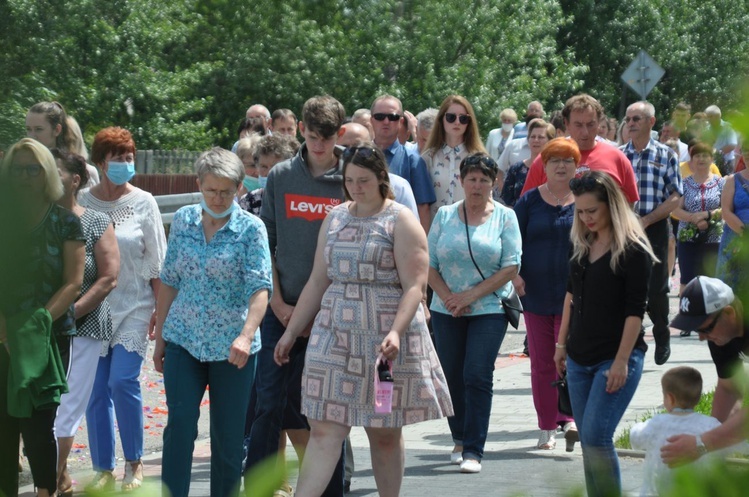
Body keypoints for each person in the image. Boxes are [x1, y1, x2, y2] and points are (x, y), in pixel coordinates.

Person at [274, 143, 452, 496]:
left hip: (383, 337)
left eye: (364, 180)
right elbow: (317, 280)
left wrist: (397, 332)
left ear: (382, 179)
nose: (356, 187)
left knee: (384, 433)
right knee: (325, 429)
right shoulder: (336, 216)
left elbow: (415, 286)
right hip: (335, 331)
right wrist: (291, 332)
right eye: (350, 180)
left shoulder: (400, 219)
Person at [152, 148, 272, 497]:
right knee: (180, 428)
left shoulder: (251, 229)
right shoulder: (185, 221)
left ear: (238, 188)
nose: (218, 199)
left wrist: (246, 336)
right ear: (198, 185)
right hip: (184, 341)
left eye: (226, 191)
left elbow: (260, 287)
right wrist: (160, 339)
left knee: (228, 438)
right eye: (211, 190)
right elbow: (170, 280)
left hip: (232, 349)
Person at [246, 96, 347, 497]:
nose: (319, 144)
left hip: (332, 313)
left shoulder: (349, 178)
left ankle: (332, 489)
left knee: (327, 413)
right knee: (267, 403)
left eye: (327, 137)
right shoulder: (281, 175)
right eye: (312, 134)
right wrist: (277, 303)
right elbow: (264, 243)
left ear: (339, 134)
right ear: (301, 129)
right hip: (281, 307)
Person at [554, 171, 657, 497]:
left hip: (616, 356)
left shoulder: (633, 249)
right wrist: (561, 345)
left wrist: (622, 361)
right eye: (580, 212)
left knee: (598, 437)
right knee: (589, 442)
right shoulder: (581, 243)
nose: (585, 219)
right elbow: (570, 297)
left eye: (592, 211)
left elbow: (634, 311)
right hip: (578, 357)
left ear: (611, 206)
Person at [79, 127, 167, 492]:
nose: (126, 164)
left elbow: (158, 264)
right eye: (119, 158)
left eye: (130, 158)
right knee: (95, 390)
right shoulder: (82, 201)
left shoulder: (145, 201)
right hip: (92, 309)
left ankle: (135, 462)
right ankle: (103, 468)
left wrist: (160, 315)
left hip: (135, 305)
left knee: (121, 381)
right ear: (101, 162)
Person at [0, 138, 85, 497]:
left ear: (47, 173)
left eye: (32, 169)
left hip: (48, 336)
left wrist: (35, 324)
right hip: (1, 333)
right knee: (3, 425)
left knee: (37, 424)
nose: (24, 176)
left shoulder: (65, 223)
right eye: (17, 169)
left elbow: (74, 282)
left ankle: (45, 490)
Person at [428, 153, 521, 473]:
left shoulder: (506, 217)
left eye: (484, 179)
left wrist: (469, 295)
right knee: (452, 374)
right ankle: (459, 436)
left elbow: (511, 265)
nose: (477, 185)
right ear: (461, 180)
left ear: (494, 181)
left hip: (489, 307)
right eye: (472, 179)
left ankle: (474, 450)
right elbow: (427, 264)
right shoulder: (444, 215)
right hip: (446, 308)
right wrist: (449, 298)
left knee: (476, 374)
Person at [53, 150, 119, 496]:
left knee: (66, 408)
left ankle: (49, 480)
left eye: (55, 171)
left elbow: (108, 278)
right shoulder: (30, 220)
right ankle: (57, 477)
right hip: (34, 330)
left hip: (83, 328)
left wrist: (65, 314)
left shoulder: (94, 222)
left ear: (75, 180)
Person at [513, 138, 579, 451]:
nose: (561, 166)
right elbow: (512, 243)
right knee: (541, 363)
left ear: (576, 166)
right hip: (535, 295)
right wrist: (514, 274)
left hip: (574, 297)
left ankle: (570, 419)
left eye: (568, 160)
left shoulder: (585, 199)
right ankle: (546, 426)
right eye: (555, 160)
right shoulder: (528, 201)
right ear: (545, 165)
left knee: (569, 359)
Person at [661, 276, 749, 467]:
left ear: (729, 313)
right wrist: (707, 434)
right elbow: (729, 389)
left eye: (705, 329)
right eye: (696, 331)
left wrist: (702, 444)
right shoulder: (721, 335)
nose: (701, 338)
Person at [621, 101, 683, 365]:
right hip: (623, 228)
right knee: (624, 285)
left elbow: (675, 197)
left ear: (651, 122)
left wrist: (647, 220)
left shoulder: (665, 154)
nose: (631, 123)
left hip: (654, 226)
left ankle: (661, 330)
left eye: (637, 118)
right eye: (628, 118)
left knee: (657, 288)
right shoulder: (619, 155)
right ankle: (636, 337)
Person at [521, 94, 640, 205]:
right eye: (578, 125)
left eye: (590, 124)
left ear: (599, 123)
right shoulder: (547, 158)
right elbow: (527, 203)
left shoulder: (617, 158)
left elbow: (629, 206)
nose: (585, 132)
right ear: (566, 124)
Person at [630, 366, 722, 497]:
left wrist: (636, 427)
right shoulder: (709, 424)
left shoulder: (657, 423)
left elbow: (636, 437)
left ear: (670, 398)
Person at [370, 95, 435, 233]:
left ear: (400, 122)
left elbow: (423, 209)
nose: (386, 121)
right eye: (380, 117)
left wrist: (422, 248)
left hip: (399, 239)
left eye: (392, 117)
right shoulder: (358, 158)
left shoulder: (413, 160)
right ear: (371, 120)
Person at [422, 95, 487, 220]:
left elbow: (487, 199)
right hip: (436, 231)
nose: (457, 122)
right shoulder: (427, 158)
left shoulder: (480, 159)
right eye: (451, 117)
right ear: (441, 119)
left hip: (469, 229)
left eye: (463, 119)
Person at [672, 142, 724, 296]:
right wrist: (693, 218)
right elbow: (675, 208)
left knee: (712, 279)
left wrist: (707, 215)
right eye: (697, 156)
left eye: (705, 156)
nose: (701, 159)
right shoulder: (684, 183)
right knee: (687, 280)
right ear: (692, 159)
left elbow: (726, 208)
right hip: (688, 238)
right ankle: (685, 314)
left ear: (711, 159)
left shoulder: (721, 183)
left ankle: (712, 317)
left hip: (713, 238)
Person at [26, 102, 100, 189]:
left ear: (57, 130)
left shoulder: (80, 171)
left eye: (39, 129)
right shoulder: (19, 166)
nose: (32, 136)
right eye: (28, 129)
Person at [239, 134, 299, 216]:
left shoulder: (300, 201)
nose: (269, 172)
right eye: (264, 166)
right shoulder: (248, 201)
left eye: (275, 166)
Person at [499, 119, 554, 207]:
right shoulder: (516, 169)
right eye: (532, 137)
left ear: (550, 141)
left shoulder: (555, 170)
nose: (536, 140)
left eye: (541, 137)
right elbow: (507, 201)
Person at [715, 160, 749, 293]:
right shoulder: (732, 180)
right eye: (746, 151)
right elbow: (726, 211)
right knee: (730, 288)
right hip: (734, 239)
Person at [704, 105, 738, 175]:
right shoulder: (706, 129)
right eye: (707, 117)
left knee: (726, 182)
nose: (708, 119)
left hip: (727, 161)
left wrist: (717, 153)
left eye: (710, 117)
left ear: (718, 116)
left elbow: (732, 144)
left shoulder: (728, 128)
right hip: (711, 162)